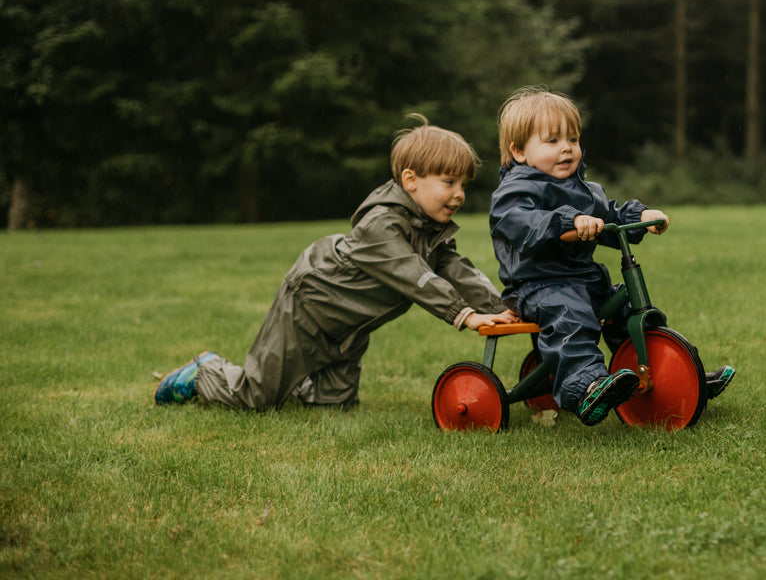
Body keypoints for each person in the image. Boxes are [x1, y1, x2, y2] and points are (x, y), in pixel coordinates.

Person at [155, 116, 517, 410]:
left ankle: (294, 379)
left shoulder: (429, 230)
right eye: (449, 182)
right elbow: (412, 274)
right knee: (255, 397)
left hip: (350, 327)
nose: (459, 194)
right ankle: (204, 370)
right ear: (411, 181)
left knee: (333, 404)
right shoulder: (381, 225)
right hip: (309, 309)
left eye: (463, 184)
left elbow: (456, 268)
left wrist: (502, 306)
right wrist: (464, 314)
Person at [489, 87, 735, 426]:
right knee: (571, 317)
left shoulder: (585, 191)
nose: (566, 148)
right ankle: (585, 387)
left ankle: (670, 373)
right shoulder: (514, 193)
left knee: (627, 309)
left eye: (572, 139)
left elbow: (612, 214)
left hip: (585, 280)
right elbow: (522, 223)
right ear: (518, 151)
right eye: (552, 141)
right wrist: (566, 221)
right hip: (538, 286)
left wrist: (641, 217)